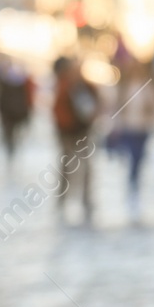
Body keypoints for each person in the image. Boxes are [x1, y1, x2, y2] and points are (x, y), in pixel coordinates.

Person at [108, 57, 154, 217]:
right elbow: (116, 107)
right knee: (132, 158)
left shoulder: (148, 87)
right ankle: (132, 188)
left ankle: (135, 187)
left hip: (143, 128)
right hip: (128, 128)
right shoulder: (124, 88)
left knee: (139, 159)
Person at [52, 58, 100, 223]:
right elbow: (58, 109)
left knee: (84, 165)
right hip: (68, 131)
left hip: (81, 131)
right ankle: (63, 197)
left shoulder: (85, 85)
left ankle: (85, 198)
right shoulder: (64, 85)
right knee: (67, 165)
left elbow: (97, 103)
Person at [0, 56, 35, 168]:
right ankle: (12, 152)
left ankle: (12, 152)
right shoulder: (20, 82)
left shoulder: (6, 81)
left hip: (12, 114)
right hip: (14, 114)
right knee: (13, 136)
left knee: (11, 136)